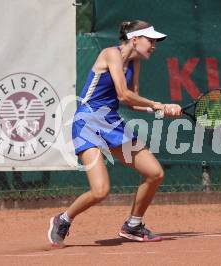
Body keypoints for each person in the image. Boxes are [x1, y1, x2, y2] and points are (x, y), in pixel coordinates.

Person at [48, 20, 182, 246]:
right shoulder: (110, 53)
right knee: (100, 191)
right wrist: (159, 104)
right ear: (135, 39)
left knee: (154, 173)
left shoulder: (135, 62)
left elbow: (133, 102)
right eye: (151, 40)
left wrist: (159, 110)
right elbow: (123, 94)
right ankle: (63, 219)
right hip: (87, 123)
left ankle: (133, 225)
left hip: (111, 123)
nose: (154, 46)